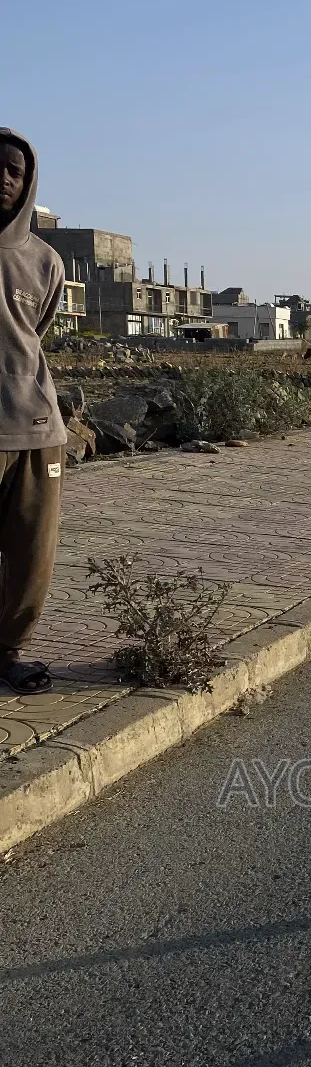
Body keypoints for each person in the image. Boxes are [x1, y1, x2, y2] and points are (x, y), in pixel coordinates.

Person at [0, 128, 67, 692]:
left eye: (14, 171)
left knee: (31, 555)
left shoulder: (45, 262)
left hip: (35, 427)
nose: (4, 178)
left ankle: (10, 652)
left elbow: (33, 336)